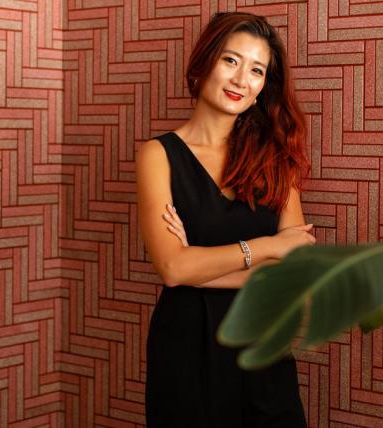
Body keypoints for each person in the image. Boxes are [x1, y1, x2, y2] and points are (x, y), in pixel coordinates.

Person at [135, 12, 315, 428]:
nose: (241, 80)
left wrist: (195, 266)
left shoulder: (275, 157)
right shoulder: (158, 156)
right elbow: (172, 266)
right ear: (204, 63)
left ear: (262, 88)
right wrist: (268, 248)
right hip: (187, 346)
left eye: (256, 70)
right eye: (231, 61)